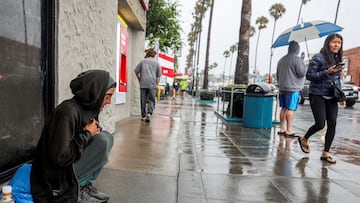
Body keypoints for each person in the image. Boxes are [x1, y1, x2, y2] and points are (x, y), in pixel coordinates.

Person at [30, 70, 116, 202]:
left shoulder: (89, 110)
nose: (109, 101)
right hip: (53, 178)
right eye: (107, 96)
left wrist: (91, 133)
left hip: (66, 166)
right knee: (102, 141)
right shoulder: (67, 112)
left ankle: (83, 184)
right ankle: (70, 188)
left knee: (107, 137)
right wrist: (87, 134)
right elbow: (61, 157)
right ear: (96, 93)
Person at [298, 33, 344, 164]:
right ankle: (304, 138)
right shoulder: (318, 57)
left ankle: (326, 153)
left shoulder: (338, 59)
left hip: (332, 95)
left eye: (339, 43)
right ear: (328, 43)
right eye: (334, 42)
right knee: (320, 124)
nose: (336, 45)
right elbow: (310, 75)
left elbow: (336, 79)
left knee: (332, 123)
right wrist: (326, 72)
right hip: (317, 94)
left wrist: (340, 95)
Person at [276, 41, 306, 137]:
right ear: (297, 49)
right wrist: (302, 61)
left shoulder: (281, 60)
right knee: (291, 109)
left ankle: (282, 128)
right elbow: (301, 73)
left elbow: (277, 74)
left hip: (282, 88)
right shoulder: (297, 60)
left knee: (284, 108)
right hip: (293, 89)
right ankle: (289, 130)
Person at [134, 48, 162, 122]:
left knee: (143, 100)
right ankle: (149, 113)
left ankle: (143, 116)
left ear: (147, 54)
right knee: (152, 100)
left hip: (143, 84)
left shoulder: (142, 62)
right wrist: (156, 84)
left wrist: (139, 79)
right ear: (154, 55)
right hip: (152, 84)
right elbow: (158, 76)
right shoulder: (157, 63)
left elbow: (136, 71)